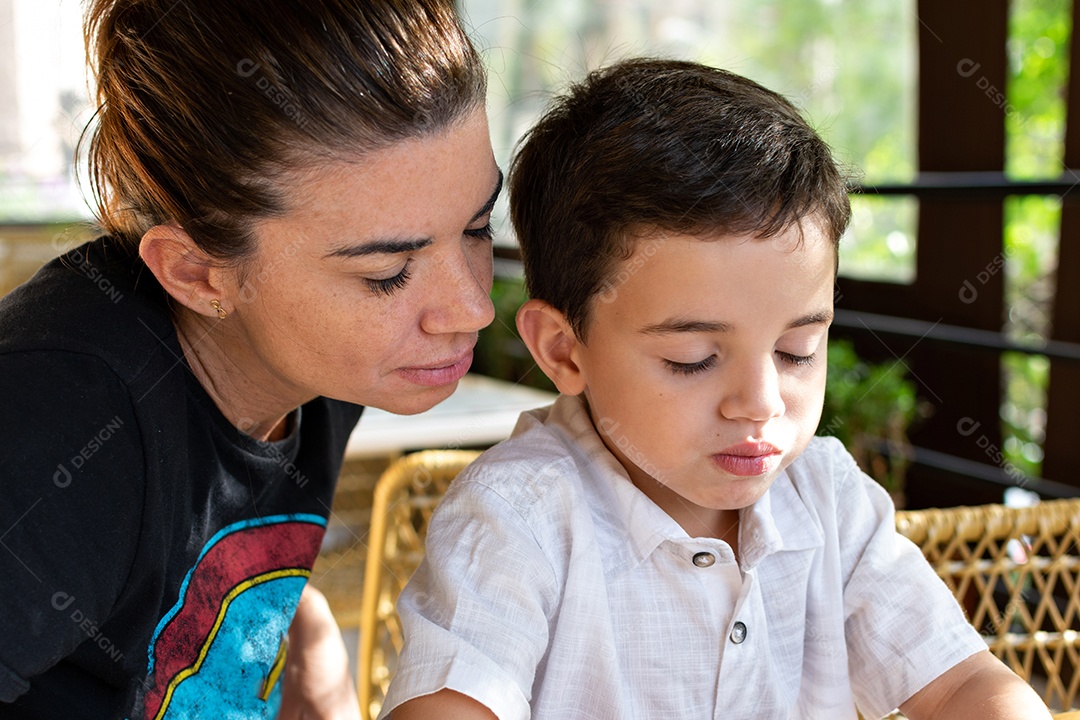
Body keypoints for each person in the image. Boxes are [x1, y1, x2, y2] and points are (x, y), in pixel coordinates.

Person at [380, 59, 1052, 719]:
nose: (761, 402)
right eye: (694, 358)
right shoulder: (521, 518)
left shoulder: (827, 500)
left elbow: (963, 685)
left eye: (798, 350)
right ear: (564, 349)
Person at [0, 1, 500, 718]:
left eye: (478, 229)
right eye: (388, 271)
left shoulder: (330, 365)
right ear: (199, 274)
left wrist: (311, 634)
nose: (472, 307)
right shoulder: (55, 422)